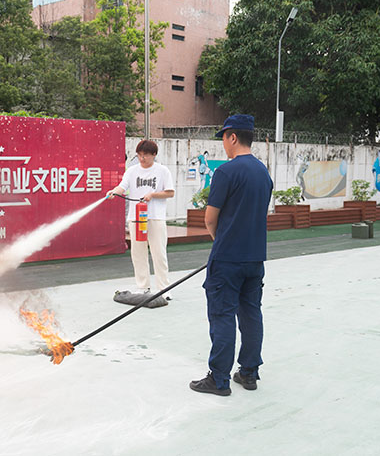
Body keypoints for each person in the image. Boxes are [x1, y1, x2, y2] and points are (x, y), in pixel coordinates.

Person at [189, 114, 273, 396]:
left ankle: (219, 379)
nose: (223, 144)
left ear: (233, 137)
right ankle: (249, 373)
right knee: (251, 314)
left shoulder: (226, 172)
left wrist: (221, 242)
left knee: (222, 315)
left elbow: (210, 219)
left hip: (227, 260)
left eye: (224, 138)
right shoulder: (263, 173)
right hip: (255, 258)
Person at [107, 139, 175, 297]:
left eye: (145, 155)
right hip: (135, 218)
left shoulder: (162, 171)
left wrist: (152, 195)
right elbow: (122, 187)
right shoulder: (132, 171)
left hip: (155, 217)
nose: (142, 158)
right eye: (139, 155)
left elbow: (170, 192)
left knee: (159, 253)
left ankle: (164, 289)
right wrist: (114, 192)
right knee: (138, 253)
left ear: (154, 155)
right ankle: (143, 287)